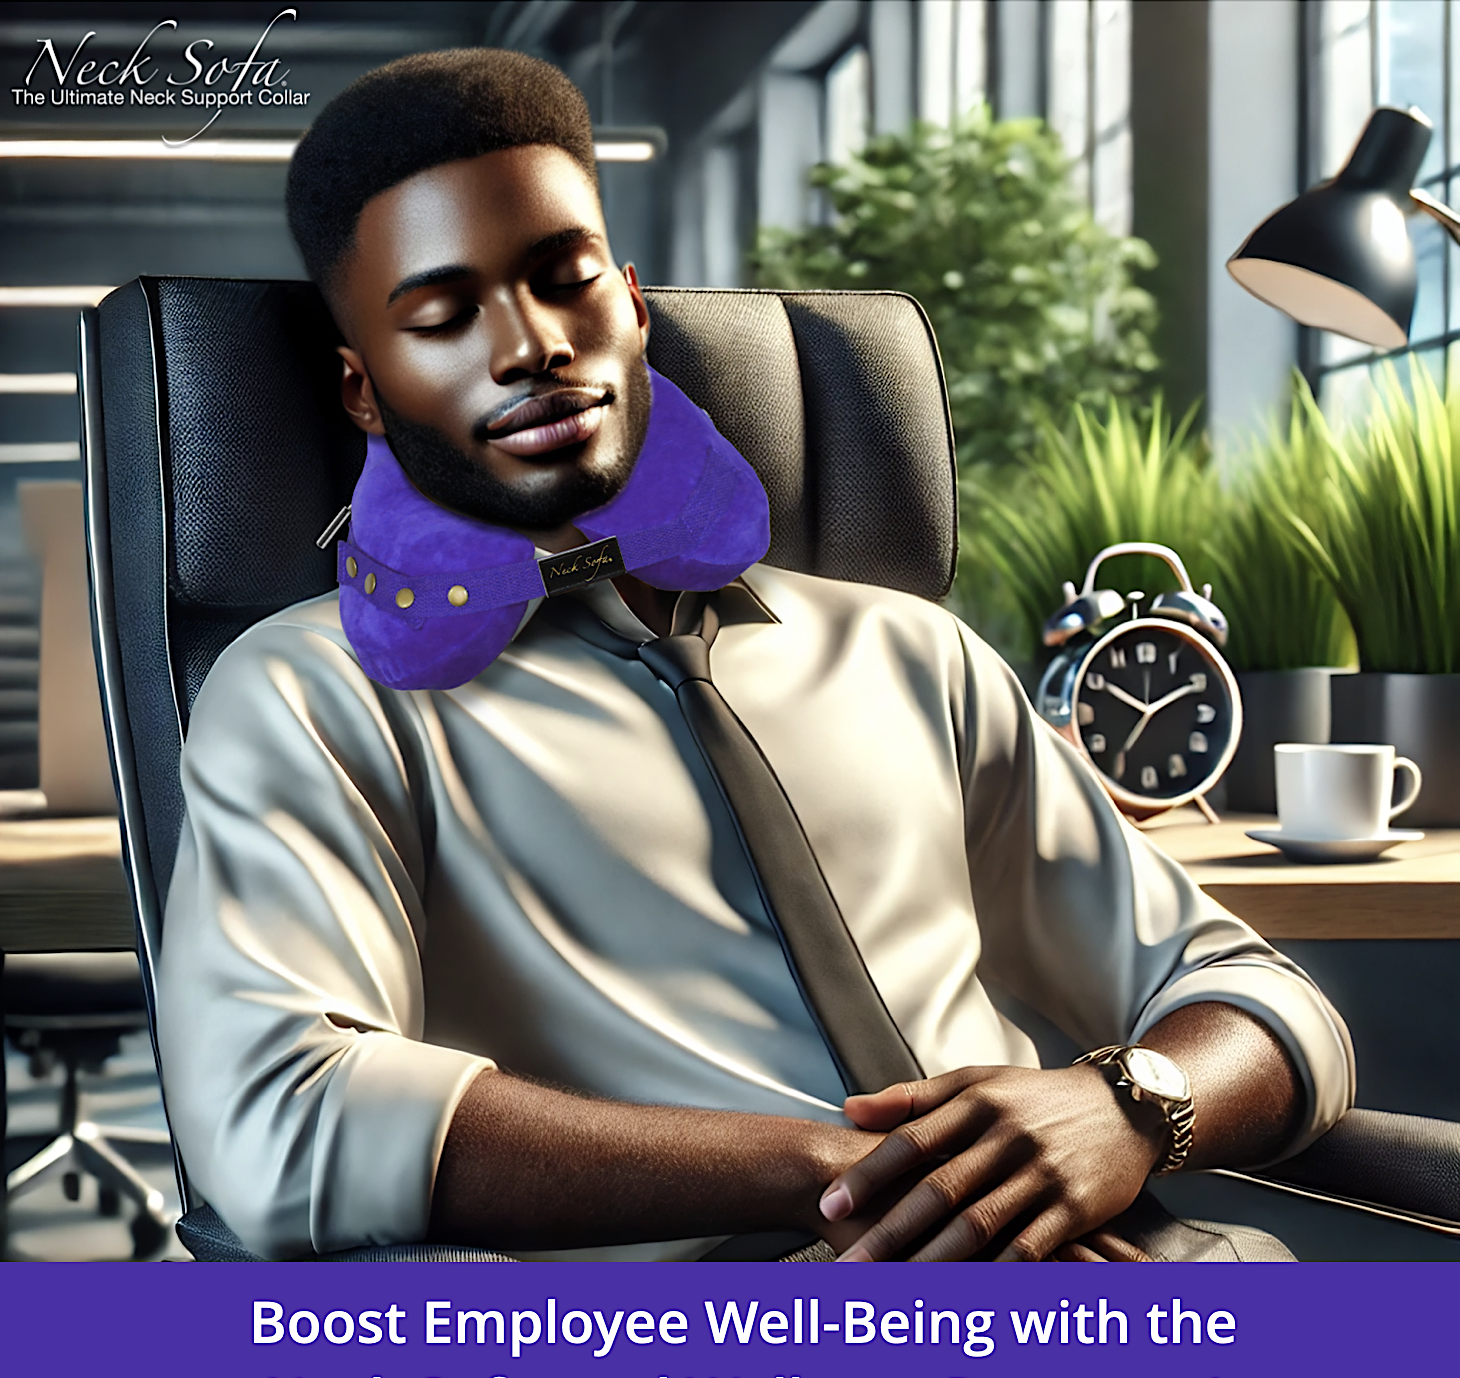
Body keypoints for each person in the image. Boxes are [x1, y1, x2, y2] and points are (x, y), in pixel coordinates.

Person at [156, 49, 1354, 1262]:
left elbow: (1264, 1002)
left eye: (564, 281)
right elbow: (280, 1117)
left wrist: (1127, 1103)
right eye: (443, 316)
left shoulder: (909, 653)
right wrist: (847, 1178)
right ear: (363, 390)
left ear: (629, 301)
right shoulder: (312, 695)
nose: (528, 346)